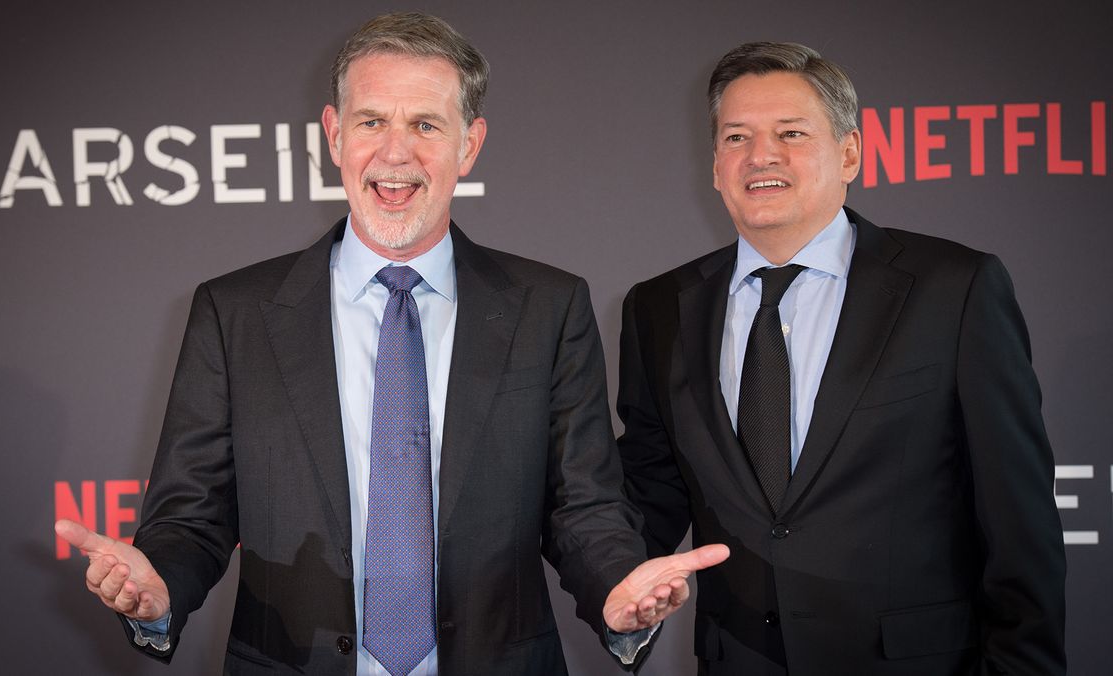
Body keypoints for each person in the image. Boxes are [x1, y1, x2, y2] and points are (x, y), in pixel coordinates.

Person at [55, 12, 728, 676]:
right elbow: (191, 515)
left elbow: (583, 504)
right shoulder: (235, 313)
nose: (395, 152)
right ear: (333, 134)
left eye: (426, 125)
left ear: (469, 144)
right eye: (372, 121)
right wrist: (157, 588)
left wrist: (616, 587)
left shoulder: (548, 307)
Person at [616, 41, 1065, 675]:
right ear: (714, 165)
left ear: (850, 151)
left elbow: (1019, 523)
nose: (761, 155)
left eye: (791, 133)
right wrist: (612, 583)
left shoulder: (955, 288)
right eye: (736, 137)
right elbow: (650, 491)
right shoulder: (658, 306)